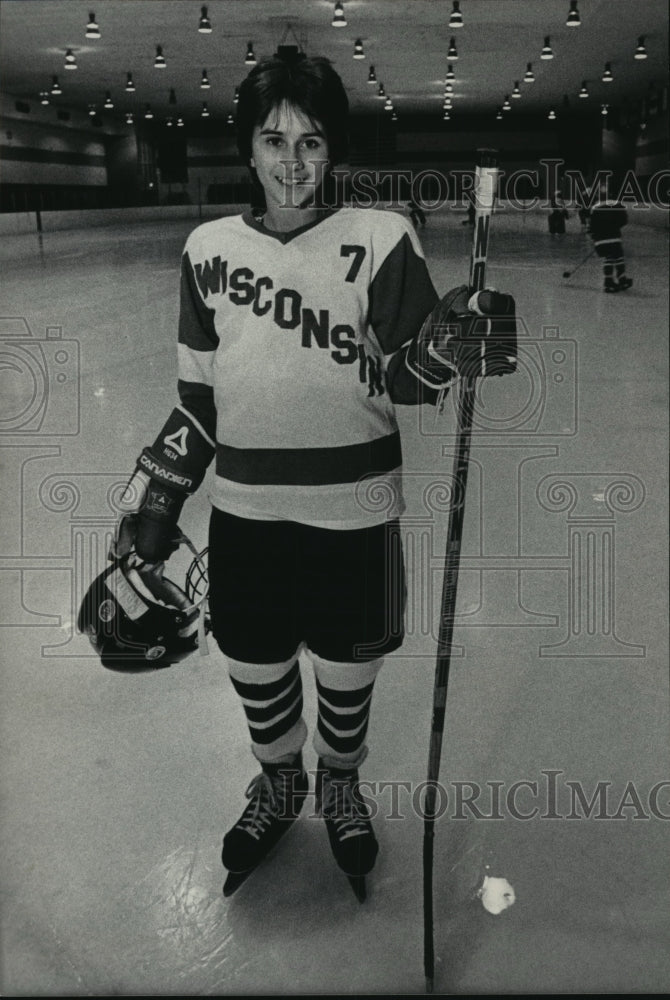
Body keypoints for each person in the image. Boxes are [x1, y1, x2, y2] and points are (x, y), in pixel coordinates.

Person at [119, 52, 516, 899]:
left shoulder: (381, 237)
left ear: (332, 149)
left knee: (346, 669)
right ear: (248, 150)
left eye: (310, 141)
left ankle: (339, 781)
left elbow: (411, 373)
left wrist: (456, 344)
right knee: (254, 665)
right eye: (274, 140)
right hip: (247, 516)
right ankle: (279, 782)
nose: (292, 161)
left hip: (357, 514)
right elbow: (198, 398)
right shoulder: (207, 249)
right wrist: (156, 500)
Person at [589, 182, 633, 292]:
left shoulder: (594, 207)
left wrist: (595, 238)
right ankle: (621, 278)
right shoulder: (618, 204)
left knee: (608, 258)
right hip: (614, 237)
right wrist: (614, 226)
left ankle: (608, 281)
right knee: (618, 257)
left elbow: (591, 226)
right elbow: (624, 220)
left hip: (600, 239)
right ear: (610, 194)